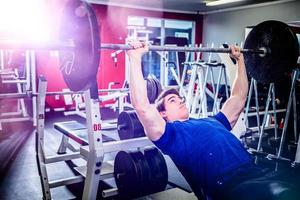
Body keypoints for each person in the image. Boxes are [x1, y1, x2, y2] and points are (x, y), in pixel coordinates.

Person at [126, 39, 299, 200]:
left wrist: (240, 60)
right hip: (232, 185)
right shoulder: (170, 135)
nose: (180, 100)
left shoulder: (213, 121)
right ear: (162, 113)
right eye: (172, 100)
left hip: (258, 172)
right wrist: (135, 59)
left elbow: (239, 97)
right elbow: (142, 106)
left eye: (180, 98)